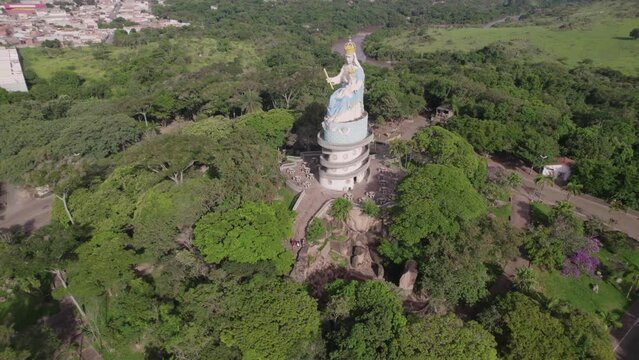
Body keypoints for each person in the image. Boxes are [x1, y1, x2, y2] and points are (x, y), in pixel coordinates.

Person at [325, 38, 365, 124]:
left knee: (345, 100)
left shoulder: (358, 69)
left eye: (349, 57)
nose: (348, 59)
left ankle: (339, 118)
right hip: (345, 88)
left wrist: (354, 88)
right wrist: (331, 79)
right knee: (332, 97)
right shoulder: (344, 67)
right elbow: (339, 77)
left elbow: (360, 82)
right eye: (346, 57)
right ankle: (332, 116)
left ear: (353, 57)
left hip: (354, 91)